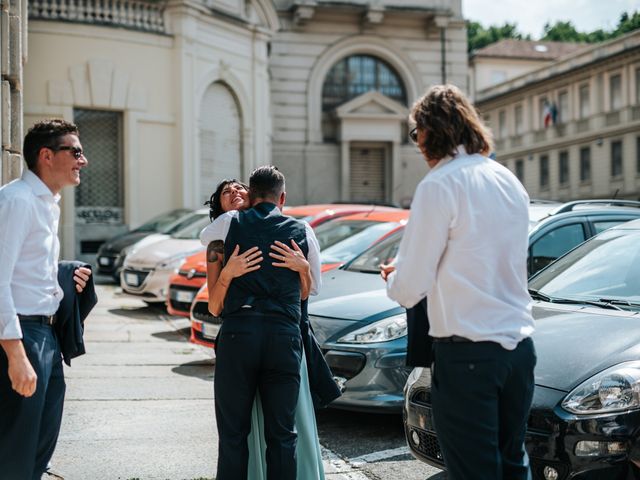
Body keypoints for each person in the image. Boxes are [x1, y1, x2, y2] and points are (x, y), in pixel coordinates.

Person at [381, 85, 536, 480]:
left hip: (468, 355)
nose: (416, 143)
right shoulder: (508, 181)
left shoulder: (439, 184)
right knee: (513, 464)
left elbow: (409, 287)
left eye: (416, 133)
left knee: (473, 471)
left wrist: (394, 277)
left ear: (432, 131)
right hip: (519, 350)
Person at [200, 167, 326, 480]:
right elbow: (309, 292)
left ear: (251, 197)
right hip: (283, 338)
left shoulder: (227, 224)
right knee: (283, 435)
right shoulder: (303, 229)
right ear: (282, 198)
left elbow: (215, 304)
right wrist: (303, 269)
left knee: (233, 434)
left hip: (239, 335)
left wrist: (230, 270)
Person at [0, 119, 93, 480]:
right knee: (15, 452)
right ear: (46, 155)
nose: (82, 160)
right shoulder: (16, 201)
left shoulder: (47, 204)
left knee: (40, 446)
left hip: (46, 336)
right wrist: (15, 354)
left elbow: (29, 270)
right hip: (21, 335)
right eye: (76, 151)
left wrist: (64, 275)